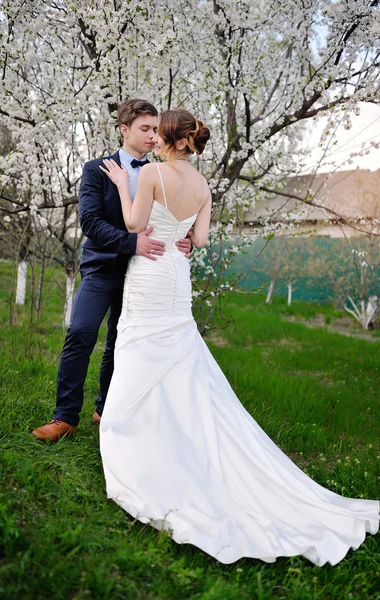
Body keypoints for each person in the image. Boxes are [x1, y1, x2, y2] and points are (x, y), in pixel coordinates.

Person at [99, 108, 379, 566]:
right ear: (191, 141)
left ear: (166, 138)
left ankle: (138, 439)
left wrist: (119, 186)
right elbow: (202, 240)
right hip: (177, 274)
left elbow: (133, 225)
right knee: (175, 357)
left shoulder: (150, 174)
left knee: (139, 350)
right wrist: (183, 235)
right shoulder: (204, 186)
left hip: (150, 272)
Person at [31, 99, 192, 442]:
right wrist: (131, 243)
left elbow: (174, 218)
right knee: (81, 332)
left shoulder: (163, 174)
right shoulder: (95, 169)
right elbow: (89, 221)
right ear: (124, 129)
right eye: (145, 129)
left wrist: (185, 239)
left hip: (144, 273)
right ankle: (64, 417)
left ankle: (106, 410)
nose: (152, 136)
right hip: (101, 268)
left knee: (122, 343)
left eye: (155, 130)